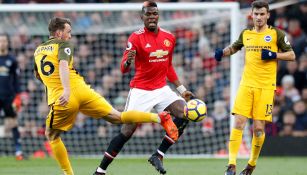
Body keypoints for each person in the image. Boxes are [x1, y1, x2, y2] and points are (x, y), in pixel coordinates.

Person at [33, 17, 179, 175]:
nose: (70, 36)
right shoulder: (63, 44)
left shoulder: (38, 50)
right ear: (59, 33)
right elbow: (62, 64)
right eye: (68, 32)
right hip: (82, 89)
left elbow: (39, 73)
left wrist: (63, 89)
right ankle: (159, 118)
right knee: (116, 116)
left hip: (64, 97)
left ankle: (68, 174)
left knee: (52, 135)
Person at [93, 1, 193, 175]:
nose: (152, 17)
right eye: (148, 14)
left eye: (154, 14)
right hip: (141, 90)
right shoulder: (135, 38)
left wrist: (181, 89)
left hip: (162, 89)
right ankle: (101, 170)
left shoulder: (169, 37)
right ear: (142, 17)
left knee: (186, 113)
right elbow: (123, 69)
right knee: (127, 130)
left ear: (158, 15)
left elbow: (168, 67)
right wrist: (128, 61)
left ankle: (158, 154)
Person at [214, 1, 296, 175]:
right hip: (246, 84)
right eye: (256, 14)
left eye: (261, 14)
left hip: (266, 87)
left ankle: (251, 164)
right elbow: (234, 47)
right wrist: (222, 52)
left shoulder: (276, 34)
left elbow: (292, 55)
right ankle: (231, 164)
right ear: (251, 15)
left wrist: (273, 54)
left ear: (268, 15)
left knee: (258, 128)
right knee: (239, 122)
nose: (258, 17)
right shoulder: (246, 34)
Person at [0, 33, 24, 160]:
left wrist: (18, 96)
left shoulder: (12, 60)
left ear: (7, 43)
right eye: (0, 41)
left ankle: (18, 150)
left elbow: (16, 80)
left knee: (13, 122)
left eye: (4, 41)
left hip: (9, 96)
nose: (2, 43)